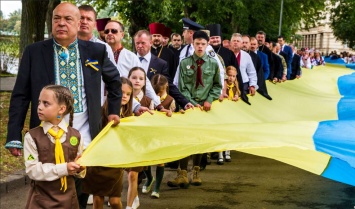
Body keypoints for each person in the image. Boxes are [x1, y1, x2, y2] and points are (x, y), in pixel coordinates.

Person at [5, 3, 122, 209]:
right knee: (46, 191)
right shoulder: (34, 52)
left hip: (83, 135)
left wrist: (113, 111)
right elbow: (21, 95)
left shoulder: (97, 50)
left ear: (79, 23)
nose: (61, 23)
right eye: (56, 18)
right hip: (46, 136)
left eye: (68, 19)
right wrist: (14, 135)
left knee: (76, 192)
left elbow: (114, 83)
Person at [167, 31, 222, 188]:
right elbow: (181, 86)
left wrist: (209, 99)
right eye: (197, 44)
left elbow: (218, 85)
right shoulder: (185, 63)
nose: (200, 47)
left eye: (203, 44)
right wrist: (189, 102)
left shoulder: (213, 63)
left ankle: (196, 172)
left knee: (200, 139)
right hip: (188, 107)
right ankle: (182, 174)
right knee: (184, 139)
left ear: (207, 44)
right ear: (192, 44)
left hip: (205, 108)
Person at [24, 85, 85, 209]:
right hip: (41, 201)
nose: (39, 107)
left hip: (69, 202)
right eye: (39, 102)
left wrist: (80, 169)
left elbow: (80, 171)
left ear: (61, 109)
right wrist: (64, 168)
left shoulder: (76, 136)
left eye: (46, 103)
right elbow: (32, 170)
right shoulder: (32, 137)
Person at [134, 29, 193, 111]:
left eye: (143, 43)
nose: (140, 46)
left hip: (154, 107)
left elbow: (169, 85)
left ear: (150, 43)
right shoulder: (129, 60)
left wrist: (184, 102)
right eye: (137, 43)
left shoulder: (161, 64)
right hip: (132, 106)